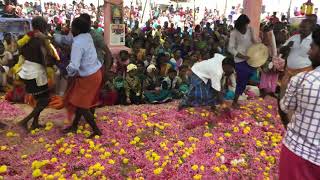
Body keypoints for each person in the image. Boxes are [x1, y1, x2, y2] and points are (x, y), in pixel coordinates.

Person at [279, 27, 320, 180]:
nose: (309, 52)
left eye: (313, 47)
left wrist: (283, 88)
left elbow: (285, 107)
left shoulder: (302, 80)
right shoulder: (294, 38)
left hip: (297, 152)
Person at [63, 17, 102, 138]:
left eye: (72, 27)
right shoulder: (87, 36)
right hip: (95, 73)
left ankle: (96, 131)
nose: (71, 29)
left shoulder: (78, 43)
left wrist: (67, 73)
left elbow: (74, 66)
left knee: (82, 106)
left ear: (77, 29)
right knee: (78, 102)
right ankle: (74, 126)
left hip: (88, 77)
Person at [17, 17, 51, 131]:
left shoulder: (27, 38)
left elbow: (21, 52)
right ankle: (24, 121)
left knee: (39, 99)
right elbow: (44, 58)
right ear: (42, 26)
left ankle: (35, 123)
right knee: (45, 100)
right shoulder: (40, 40)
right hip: (36, 73)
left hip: (26, 71)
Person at [228, 14, 259, 108]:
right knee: (241, 80)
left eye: (247, 24)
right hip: (239, 60)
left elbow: (254, 40)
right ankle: (235, 101)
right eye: (244, 25)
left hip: (250, 58)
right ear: (240, 25)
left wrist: (258, 44)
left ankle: (237, 98)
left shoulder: (250, 29)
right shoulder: (234, 33)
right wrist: (242, 56)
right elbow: (230, 48)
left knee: (246, 79)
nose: (246, 26)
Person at [280, 19, 314, 100]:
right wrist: (287, 47)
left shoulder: (314, 40)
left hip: (304, 73)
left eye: (304, 27)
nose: (301, 29)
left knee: (297, 96)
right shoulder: (294, 37)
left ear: (311, 29)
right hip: (288, 72)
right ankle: (281, 109)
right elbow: (281, 50)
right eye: (301, 27)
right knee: (284, 94)